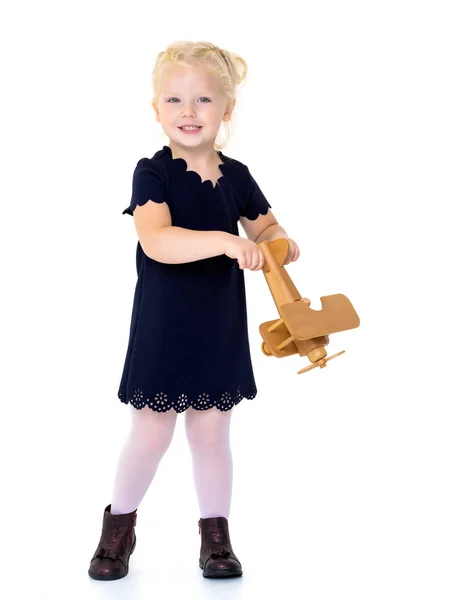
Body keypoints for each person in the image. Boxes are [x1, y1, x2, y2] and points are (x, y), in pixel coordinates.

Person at [88, 40, 300, 581]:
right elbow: (158, 241)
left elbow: (265, 226)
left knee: (211, 435)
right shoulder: (152, 174)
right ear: (156, 108)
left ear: (225, 111)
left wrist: (278, 241)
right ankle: (118, 529)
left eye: (204, 100)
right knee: (151, 433)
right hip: (164, 327)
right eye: (175, 100)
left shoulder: (238, 175)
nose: (188, 112)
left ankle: (216, 537)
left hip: (217, 327)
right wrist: (228, 244)